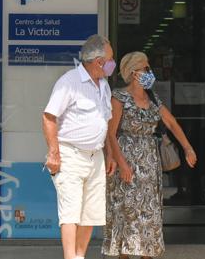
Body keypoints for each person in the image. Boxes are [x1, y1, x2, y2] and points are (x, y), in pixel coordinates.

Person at [102, 51, 197, 259]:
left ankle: (147, 254)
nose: (149, 71)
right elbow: (111, 133)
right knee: (126, 211)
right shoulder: (119, 97)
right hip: (126, 155)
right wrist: (121, 163)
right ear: (134, 72)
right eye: (146, 68)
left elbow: (171, 122)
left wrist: (187, 147)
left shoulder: (153, 97)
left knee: (149, 213)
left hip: (149, 160)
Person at [42, 34, 118, 259]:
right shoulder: (69, 82)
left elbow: (105, 123)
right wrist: (54, 153)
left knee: (91, 214)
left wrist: (110, 155)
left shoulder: (103, 85)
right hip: (70, 154)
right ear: (99, 62)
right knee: (71, 213)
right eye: (111, 58)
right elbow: (48, 117)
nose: (113, 63)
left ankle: (79, 255)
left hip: (96, 157)